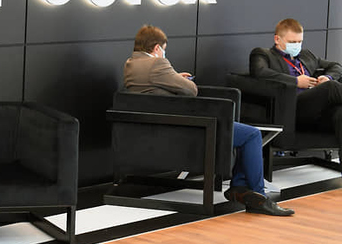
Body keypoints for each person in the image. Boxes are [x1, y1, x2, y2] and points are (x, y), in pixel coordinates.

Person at [124, 25, 293, 216]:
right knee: (251, 134)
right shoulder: (158, 64)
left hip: (160, 127)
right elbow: (191, 90)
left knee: (244, 134)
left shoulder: (131, 64)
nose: (164, 53)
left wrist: (173, 78)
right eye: (163, 49)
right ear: (156, 48)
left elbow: (153, 87)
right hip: (189, 130)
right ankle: (258, 195)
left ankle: (240, 188)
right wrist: (182, 80)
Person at [250, 18, 342, 148]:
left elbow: (336, 66)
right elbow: (260, 72)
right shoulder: (263, 54)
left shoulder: (306, 55)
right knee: (331, 87)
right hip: (292, 108)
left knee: (340, 112)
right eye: (292, 42)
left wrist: (328, 77)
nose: (297, 45)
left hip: (316, 108)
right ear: (277, 39)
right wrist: (296, 81)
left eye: (300, 42)